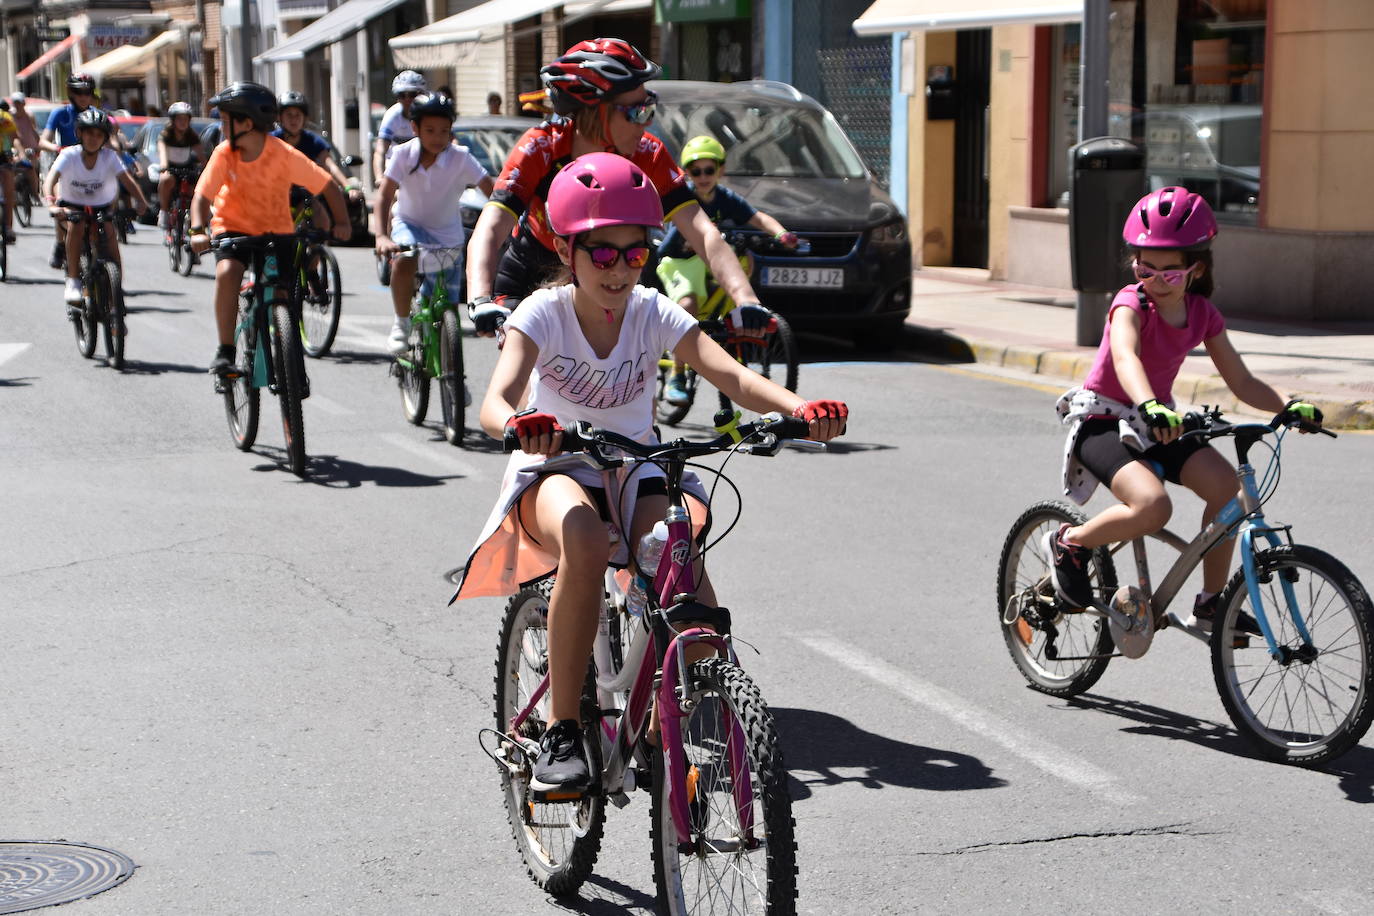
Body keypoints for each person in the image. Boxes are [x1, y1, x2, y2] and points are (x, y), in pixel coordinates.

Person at [452, 153, 849, 792]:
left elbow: (736, 377)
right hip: (558, 469)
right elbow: (495, 400)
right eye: (601, 253)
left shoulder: (651, 311)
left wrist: (800, 410)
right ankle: (560, 731)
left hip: (636, 470)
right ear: (566, 248)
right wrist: (519, 425)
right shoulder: (542, 314)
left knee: (679, 542)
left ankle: (709, 696)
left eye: (633, 253)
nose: (619, 269)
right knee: (582, 538)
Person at [1047, 186, 1325, 635]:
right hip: (1105, 419)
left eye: (1169, 273)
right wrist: (1151, 403)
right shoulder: (1129, 303)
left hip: (1159, 422)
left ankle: (1211, 603)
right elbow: (1126, 358)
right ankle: (1071, 543)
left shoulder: (1203, 315)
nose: (1154, 280)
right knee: (1153, 506)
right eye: (1144, 266)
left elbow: (1243, 381)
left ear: (1196, 269)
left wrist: (1289, 406)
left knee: (1229, 495)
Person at [465, 38, 770, 339]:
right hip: (535, 266)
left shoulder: (647, 152)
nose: (646, 124)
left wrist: (746, 299)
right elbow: (492, 226)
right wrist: (479, 298)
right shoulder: (541, 146)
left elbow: (702, 231)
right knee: (520, 371)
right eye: (637, 112)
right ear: (594, 111)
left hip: (610, 270)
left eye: (649, 108)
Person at [186, 82, 350, 374]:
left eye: (225, 122)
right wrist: (198, 230)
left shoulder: (283, 154)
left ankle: (287, 352)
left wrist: (341, 222)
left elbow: (326, 185)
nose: (221, 128)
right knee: (228, 273)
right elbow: (202, 196)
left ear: (246, 123)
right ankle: (225, 349)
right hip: (232, 228)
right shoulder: (225, 153)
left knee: (282, 291)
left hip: (276, 232)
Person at [654, 134, 799, 404]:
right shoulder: (683, 198)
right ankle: (677, 375)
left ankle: (734, 319)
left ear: (720, 170)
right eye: (695, 171)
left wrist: (781, 234)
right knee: (687, 304)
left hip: (706, 258)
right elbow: (671, 245)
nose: (703, 176)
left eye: (709, 170)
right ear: (687, 173)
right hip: (679, 261)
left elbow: (758, 218)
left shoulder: (725, 198)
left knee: (746, 260)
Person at [373, 92, 493, 355]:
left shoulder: (460, 157)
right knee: (405, 257)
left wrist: (507, 217)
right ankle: (401, 323)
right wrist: (381, 236)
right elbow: (383, 195)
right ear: (415, 128)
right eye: (430, 130)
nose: (438, 137)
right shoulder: (403, 154)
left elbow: (490, 190)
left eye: (444, 131)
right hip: (409, 223)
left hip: (448, 234)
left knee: (448, 310)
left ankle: (452, 379)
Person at [41, 108, 148, 305]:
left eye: (99, 135)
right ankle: (73, 281)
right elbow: (50, 180)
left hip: (101, 205)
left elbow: (128, 181)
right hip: (72, 204)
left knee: (111, 239)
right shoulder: (69, 155)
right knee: (77, 225)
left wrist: (141, 201)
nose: (94, 138)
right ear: (80, 133)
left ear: (105, 138)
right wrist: (51, 203)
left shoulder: (109, 157)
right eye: (89, 133)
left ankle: (116, 299)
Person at [272, 90, 364, 237]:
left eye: (298, 115)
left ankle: (315, 255)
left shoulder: (314, 141)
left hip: (304, 195)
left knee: (322, 223)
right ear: (280, 117)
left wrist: (347, 187)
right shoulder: (272, 141)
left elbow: (330, 165)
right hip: (276, 195)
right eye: (289, 114)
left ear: (305, 118)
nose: (293, 119)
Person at [41, 73, 100, 267]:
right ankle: (60, 243)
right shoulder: (60, 114)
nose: (83, 96)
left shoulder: (97, 115)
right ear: (71, 93)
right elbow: (43, 140)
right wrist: (58, 149)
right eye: (78, 92)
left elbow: (112, 139)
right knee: (61, 203)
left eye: (87, 92)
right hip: (64, 167)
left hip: (93, 167)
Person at [156, 101, 204, 234]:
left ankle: (194, 222)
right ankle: (164, 212)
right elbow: (162, 151)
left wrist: (207, 168)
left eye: (185, 119)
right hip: (171, 168)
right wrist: (164, 166)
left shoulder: (192, 136)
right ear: (173, 120)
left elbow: (201, 156)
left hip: (187, 169)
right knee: (166, 180)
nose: (183, 122)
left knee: (196, 191)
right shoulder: (166, 135)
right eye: (179, 119)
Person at [373, 70, 426, 185]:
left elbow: (450, 142)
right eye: (401, 95)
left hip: (422, 166)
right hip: (396, 166)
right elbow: (380, 151)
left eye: (412, 94)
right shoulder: (392, 115)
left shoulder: (429, 115)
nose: (407, 99)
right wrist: (379, 177)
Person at [0, 105, 18, 242]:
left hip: (2, 156)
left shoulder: (4, 117)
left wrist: (18, 154)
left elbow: (13, 137)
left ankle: (8, 227)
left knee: (9, 189)